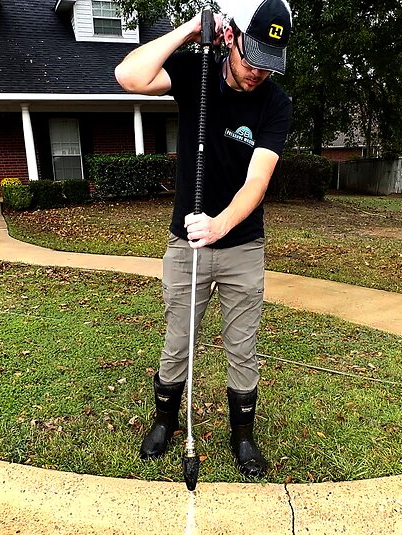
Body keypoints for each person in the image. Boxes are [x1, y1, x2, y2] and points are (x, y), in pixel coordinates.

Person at [115, 0, 293, 479]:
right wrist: (192, 29)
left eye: (268, 64)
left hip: (241, 246)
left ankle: (243, 435)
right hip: (185, 246)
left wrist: (220, 225)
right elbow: (130, 77)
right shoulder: (197, 72)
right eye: (251, 58)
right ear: (231, 38)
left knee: (243, 347)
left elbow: (257, 182)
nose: (257, 72)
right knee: (178, 342)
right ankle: (166, 421)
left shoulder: (276, 104)